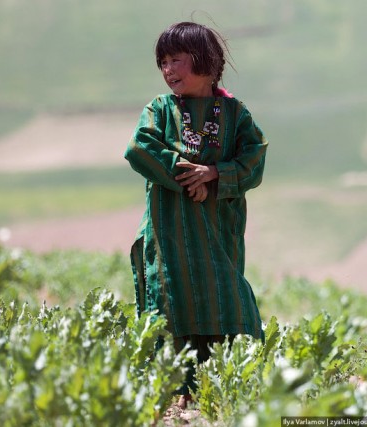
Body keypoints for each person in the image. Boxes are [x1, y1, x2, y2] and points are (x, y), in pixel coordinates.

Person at [123, 21, 268, 409]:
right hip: (170, 230)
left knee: (227, 298)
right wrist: (190, 177)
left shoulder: (235, 114)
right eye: (163, 63)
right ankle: (176, 390)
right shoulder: (160, 109)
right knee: (172, 300)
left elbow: (254, 156)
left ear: (205, 61)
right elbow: (140, 147)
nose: (168, 70)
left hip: (218, 230)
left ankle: (229, 380)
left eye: (176, 60)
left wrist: (216, 174)